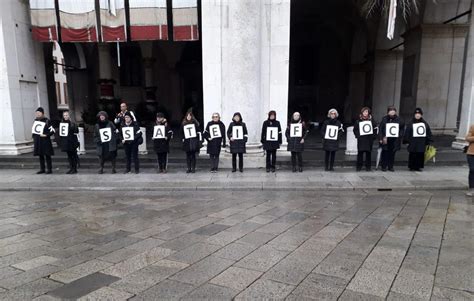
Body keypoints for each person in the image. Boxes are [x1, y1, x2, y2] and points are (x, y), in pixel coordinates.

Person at [379, 106, 404, 172]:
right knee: (385, 153)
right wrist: (381, 138)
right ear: (388, 112)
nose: (392, 111)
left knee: (392, 153)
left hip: (394, 139)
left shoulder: (399, 119)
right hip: (386, 138)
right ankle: (384, 166)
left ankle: (390, 166)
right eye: (391, 110)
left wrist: (400, 135)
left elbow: (402, 128)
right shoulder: (384, 119)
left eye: (393, 110)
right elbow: (381, 129)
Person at [353, 107, 377, 171]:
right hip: (361, 140)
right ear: (362, 113)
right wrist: (358, 136)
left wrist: (373, 137)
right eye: (364, 112)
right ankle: (359, 167)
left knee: (368, 153)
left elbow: (375, 128)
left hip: (369, 140)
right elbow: (355, 130)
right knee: (360, 153)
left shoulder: (372, 121)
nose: (365, 113)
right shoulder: (358, 121)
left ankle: (368, 167)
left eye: (366, 112)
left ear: (368, 113)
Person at [32, 107, 55, 174]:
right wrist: (34, 137)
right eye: (37, 113)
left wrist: (46, 135)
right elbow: (34, 130)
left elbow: (52, 130)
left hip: (45, 140)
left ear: (42, 113)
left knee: (47, 155)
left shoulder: (47, 121)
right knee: (40, 155)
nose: (38, 114)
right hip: (38, 141)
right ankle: (42, 169)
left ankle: (49, 169)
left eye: (39, 113)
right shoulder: (35, 121)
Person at [465, 124, 474, 196]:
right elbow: (467, 138)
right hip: (471, 153)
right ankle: (471, 188)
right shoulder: (473, 126)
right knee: (472, 169)